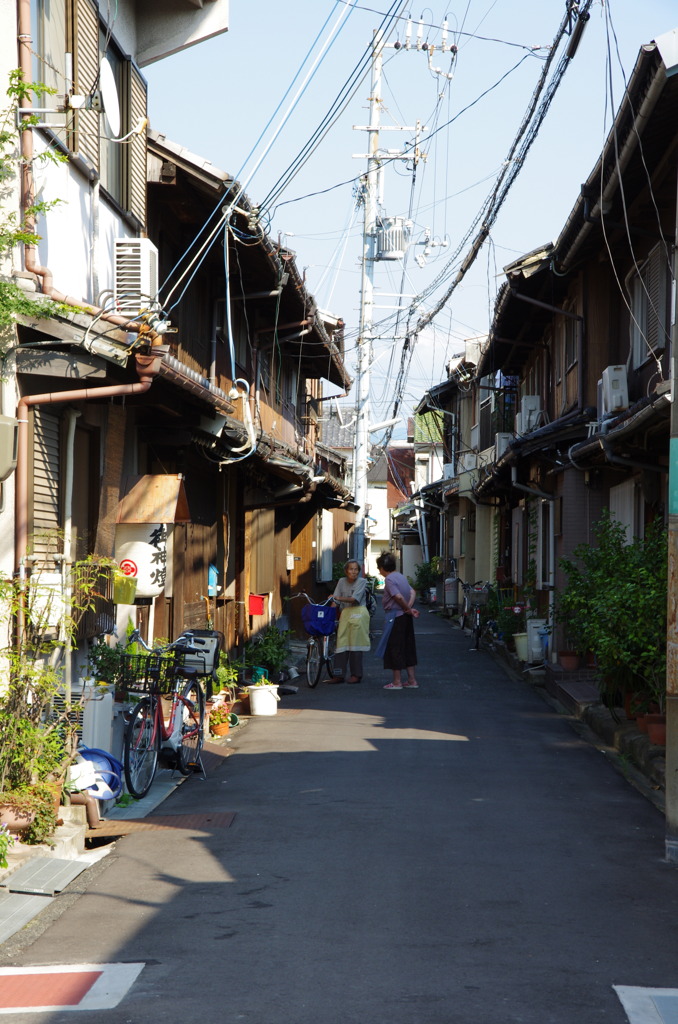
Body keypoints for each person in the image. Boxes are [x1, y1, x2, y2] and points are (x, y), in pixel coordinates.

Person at [375, 551, 420, 689]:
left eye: (379, 568)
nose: (379, 571)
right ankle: (412, 680)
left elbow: (398, 597)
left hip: (395, 617)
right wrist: (409, 608)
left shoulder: (389, 579)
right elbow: (412, 592)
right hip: (405, 617)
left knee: (395, 647)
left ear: (383, 567)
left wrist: (407, 608)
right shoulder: (400, 576)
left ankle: (397, 682)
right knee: (408, 647)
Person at [328, 560, 371, 683]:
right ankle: (338, 674)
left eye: (356, 569)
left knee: (355, 644)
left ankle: (356, 675)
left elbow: (353, 599)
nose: (354, 571)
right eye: (351, 569)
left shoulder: (362, 581)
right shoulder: (341, 581)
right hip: (345, 613)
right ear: (346, 571)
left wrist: (336, 598)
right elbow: (334, 600)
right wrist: (330, 612)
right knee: (341, 643)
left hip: (358, 612)